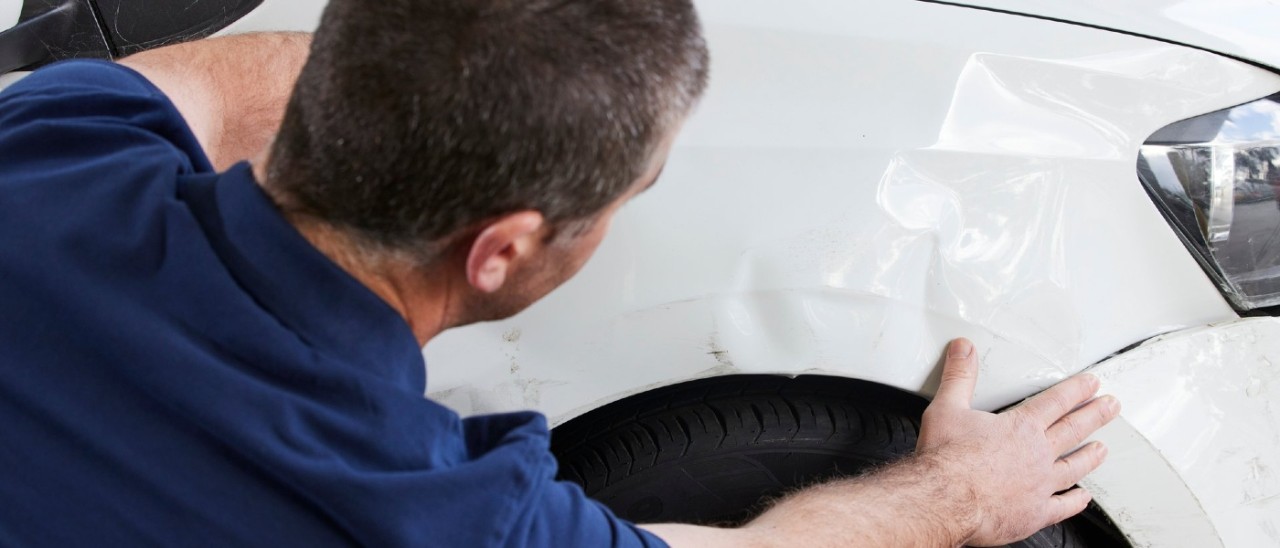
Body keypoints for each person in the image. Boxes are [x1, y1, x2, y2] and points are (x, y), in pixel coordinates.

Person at [0, 0, 1118, 546]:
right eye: (622, 199)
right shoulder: (425, 511)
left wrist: (422, 64)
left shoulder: (52, 152)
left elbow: (181, 82)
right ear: (501, 250)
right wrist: (966, 490)